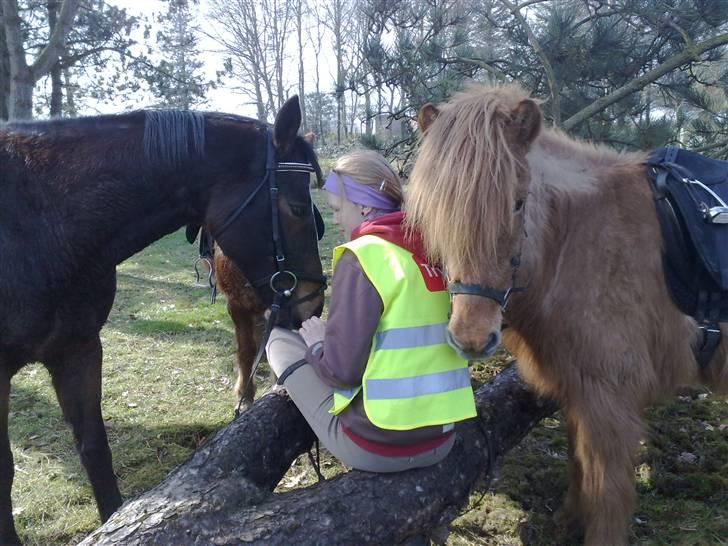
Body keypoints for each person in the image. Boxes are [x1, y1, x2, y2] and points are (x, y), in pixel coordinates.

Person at [265, 150, 476, 472]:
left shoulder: (364, 255)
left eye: (337, 209)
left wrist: (320, 344)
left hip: (377, 446)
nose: (335, 220)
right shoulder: (436, 251)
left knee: (279, 339)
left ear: (363, 205)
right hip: (441, 439)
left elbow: (341, 373)